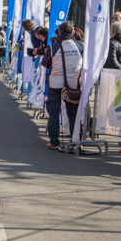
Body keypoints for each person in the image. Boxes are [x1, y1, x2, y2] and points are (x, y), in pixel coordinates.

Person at [41, 22, 83, 151]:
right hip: (73, 85)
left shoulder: (53, 47)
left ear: (59, 33)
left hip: (55, 84)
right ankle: (76, 141)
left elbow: (45, 63)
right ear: (73, 32)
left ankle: (54, 142)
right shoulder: (81, 46)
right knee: (73, 113)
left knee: (54, 112)